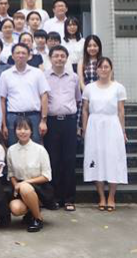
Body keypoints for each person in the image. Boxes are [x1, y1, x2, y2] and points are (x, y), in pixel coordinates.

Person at [82, 57, 128, 212]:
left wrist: (123, 131)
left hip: (112, 125)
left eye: (106, 67)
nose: (103, 69)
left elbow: (121, 111)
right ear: (96, 70)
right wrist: (84, 129)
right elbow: (85, 110)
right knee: (96, 160)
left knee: (113, 159)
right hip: (94, 126)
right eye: (100, 67)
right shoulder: (89, 88)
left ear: (111, 69)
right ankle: (101, 196)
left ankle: (111, 197)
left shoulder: (118, 87)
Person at [44, 46, 81, 211]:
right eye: (56, 56)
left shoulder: (74, 77)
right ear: (50, 58)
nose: (59, 59)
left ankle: (69, 199)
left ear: (66, 58)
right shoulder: (43, 76)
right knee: (53, 160)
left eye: (62, 56)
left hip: (69, 122)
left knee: (69, 160)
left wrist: (78, 125)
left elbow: (78, 100)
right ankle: (54, 198)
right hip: (51, 122)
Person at [7, 116, 54, 233]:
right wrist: (16, 185)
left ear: (31, 131)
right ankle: (30, 213)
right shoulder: (11, 150)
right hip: (20, 188)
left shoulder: (40, 150)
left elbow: (47, 176)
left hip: (39, 187)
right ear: (15, 131)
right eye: (19, 129)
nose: (22, 132)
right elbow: (11, 173)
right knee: (16, 209)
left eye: (26, 129)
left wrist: (26, 183)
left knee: (25, 187)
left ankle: (38, 218)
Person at [0, 43, 50, 146]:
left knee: (34, 148)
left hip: (34, 117)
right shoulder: (5, 75)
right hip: (13, 117)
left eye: (23, 53)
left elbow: (44, 96)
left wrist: (43, 120)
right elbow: (2, 100)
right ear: (12, 56)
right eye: (17, 53)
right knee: (14, 148)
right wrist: (3, 124)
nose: (20, 55)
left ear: (29, 55)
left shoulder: (37, 73)